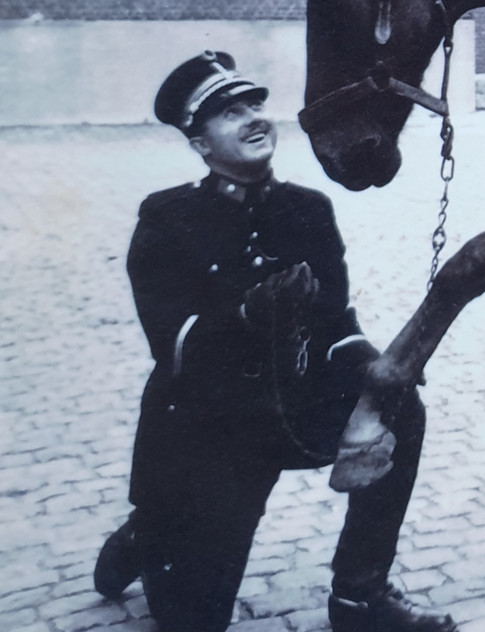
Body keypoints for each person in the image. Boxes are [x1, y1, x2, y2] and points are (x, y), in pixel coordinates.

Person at [93, 51, 456, 632]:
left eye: (255, 104)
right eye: (229, 113)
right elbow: (175, 345)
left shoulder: (307, 210)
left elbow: (338, 324)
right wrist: (246, 312)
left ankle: (359, 596)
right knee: (194, 621)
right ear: (199, 143)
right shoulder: (167, 218)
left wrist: (377, 366)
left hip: (294, 407)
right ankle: (146, 534)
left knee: (399, 406)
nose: (253, 118)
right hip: (206, 432)